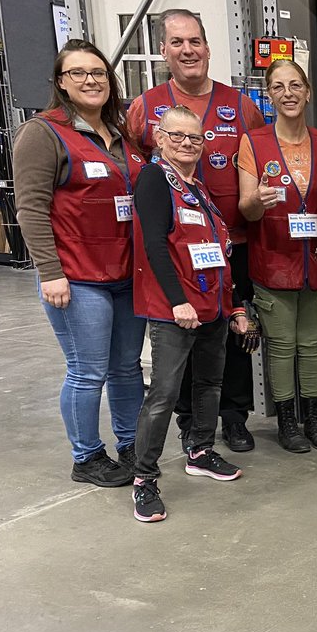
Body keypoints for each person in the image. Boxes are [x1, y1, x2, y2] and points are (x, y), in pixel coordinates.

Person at [126, 9, 266, 453]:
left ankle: (234, 418)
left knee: (233, 338)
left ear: (207, 47)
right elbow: (133, 167)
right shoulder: (144, 107)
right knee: (180, 346)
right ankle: (190, 425)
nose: (187, 50)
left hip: (230, 247)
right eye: (177, 42)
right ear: (163, 50)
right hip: (174, 254)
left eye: (195, 41)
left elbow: (262, 158)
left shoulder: (240, 106)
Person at [14, 39, 147, 487]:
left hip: (127, 274)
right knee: (87, 371)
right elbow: (31, 209)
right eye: (78, 73)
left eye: (98, 72)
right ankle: (87, 456)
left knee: (127, 367)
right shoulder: (44, 132)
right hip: (77, 278)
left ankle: (131, 446)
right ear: (61, 82)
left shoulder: (122, 134)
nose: (91, 80)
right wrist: (50, 273)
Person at [130, 107, 251, 523]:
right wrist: (176, 300)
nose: (186, 143)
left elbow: (219, 252)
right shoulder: (154, 179)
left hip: (212, 306)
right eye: (177, 135)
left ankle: (200, 450)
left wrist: (235, 304)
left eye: (195, 137)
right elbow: (154, 244)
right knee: (163, 394)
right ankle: (144, 479)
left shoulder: (198, 188)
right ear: (160, 138)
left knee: (210, 384)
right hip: (176, 310)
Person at [237, 59, 317, 454]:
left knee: (312, 344)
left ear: (308, 92)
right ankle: (287, 423)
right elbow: (246, 210)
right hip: (273, 262)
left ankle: (313, 418)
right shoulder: (254, 143)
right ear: (269, 95)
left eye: (295, 85)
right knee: (281, 346)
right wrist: (257, 201)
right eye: (278, 87)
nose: (288, 93)